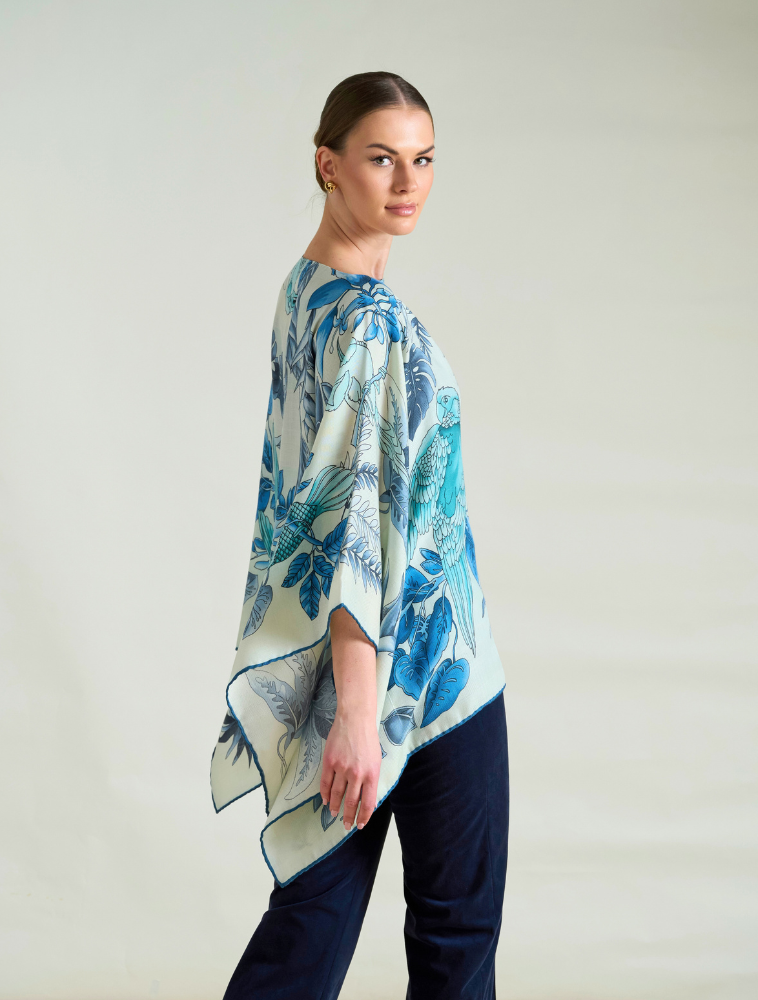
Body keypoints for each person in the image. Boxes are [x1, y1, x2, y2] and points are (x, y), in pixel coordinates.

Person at [210, 71, 509, 1000]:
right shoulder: (372, 322)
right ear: (328, 165)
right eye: (382, 158)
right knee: (455, 935)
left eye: (424, 159)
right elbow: (352, 530)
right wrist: (355, 712)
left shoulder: (305, 292)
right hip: (428, 664)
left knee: (313, 922)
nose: (408, 182)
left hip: (350, 660)